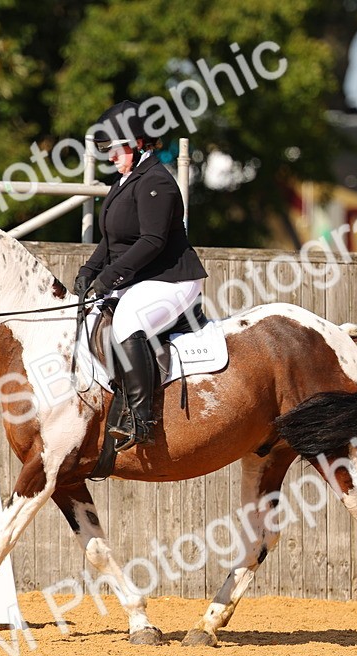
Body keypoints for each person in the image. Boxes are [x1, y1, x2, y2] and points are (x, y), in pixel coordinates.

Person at [74, 100, 208, 451]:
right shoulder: (125, 181)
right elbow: (111, 239)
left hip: (173, 278)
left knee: (127, 321)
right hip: (144, 277)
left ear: (136, 142)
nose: (109, 157)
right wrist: (90, 271)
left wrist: (110, 277)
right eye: (104, 150)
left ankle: (141, 418)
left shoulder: (157, 182)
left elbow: (151, 241)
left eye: (112, 149)